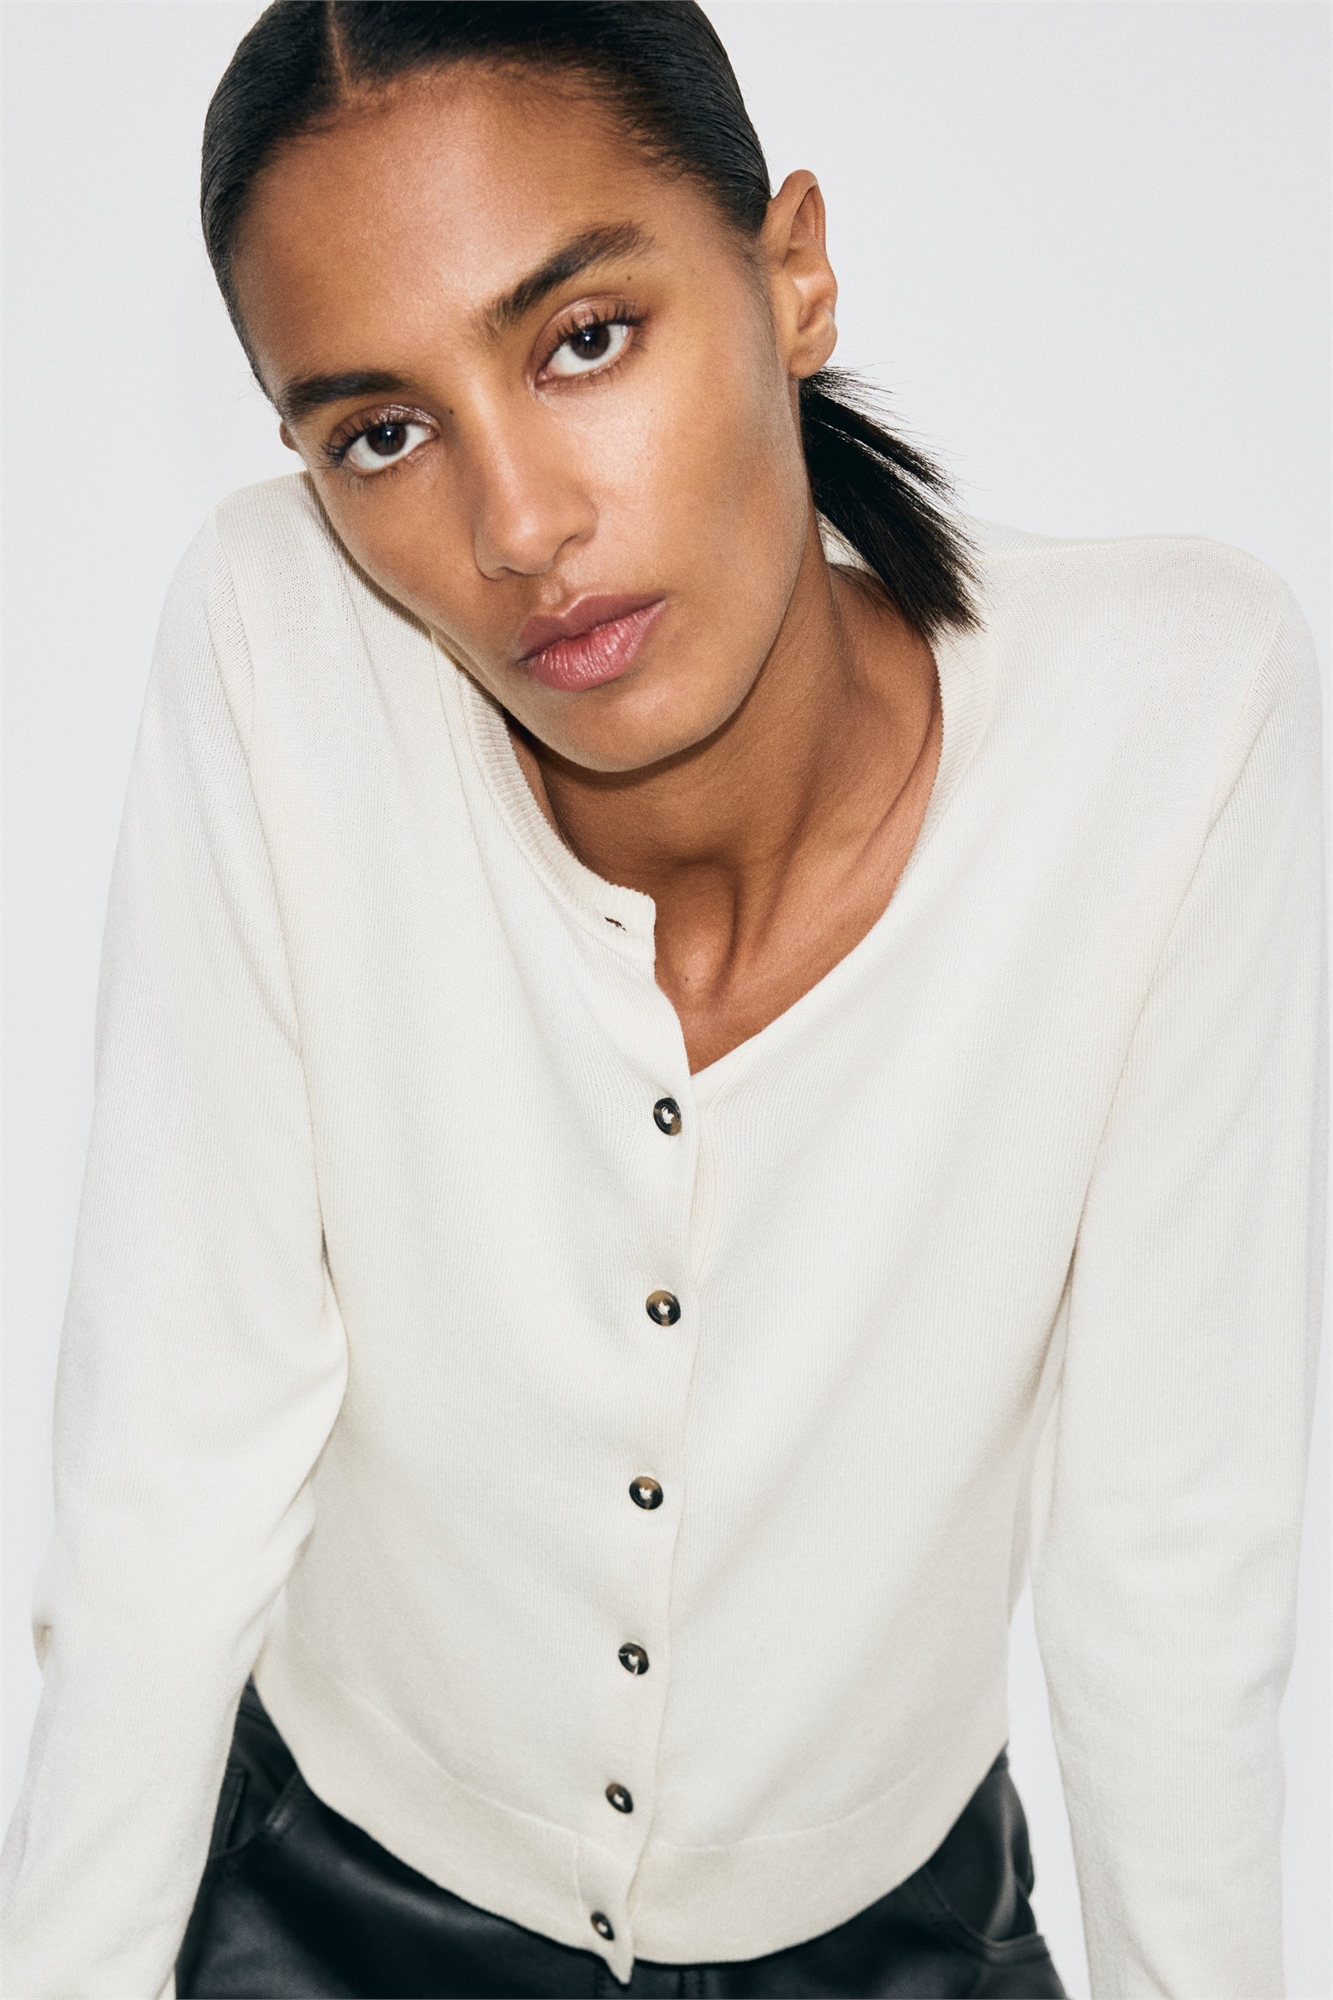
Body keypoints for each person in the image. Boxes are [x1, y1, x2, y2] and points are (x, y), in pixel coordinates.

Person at [0, 3, 1324, 1995]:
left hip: (889, 1939)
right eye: (380, 434)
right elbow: (169, 1471)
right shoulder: (280, 637)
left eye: (584, 338)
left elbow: (1172, 1557)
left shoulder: (1171, 711)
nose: (516, 527)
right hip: (324, 1915)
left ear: (791, 274)